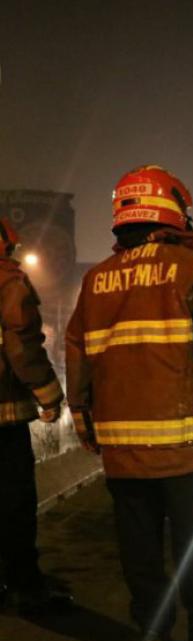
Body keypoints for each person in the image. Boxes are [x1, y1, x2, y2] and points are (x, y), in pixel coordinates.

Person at [65, 165, 193, 641]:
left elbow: (78, 354)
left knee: (139, 550)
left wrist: (83, 418)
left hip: (122, 447)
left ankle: (150, 639)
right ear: (174, 208)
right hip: (185, 446)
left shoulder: (95, 280)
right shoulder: (191, 267)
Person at [0, 216, 73, 615]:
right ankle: (25, 586)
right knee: (14, 503)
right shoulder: (7, 282)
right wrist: (49, 395)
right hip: (4, 418)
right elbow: (22, 346)